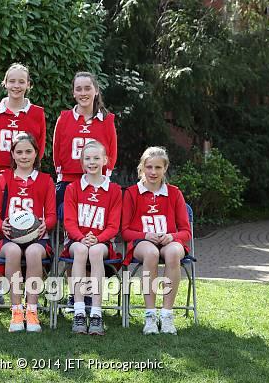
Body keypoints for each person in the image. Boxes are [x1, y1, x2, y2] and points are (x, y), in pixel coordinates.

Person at [52, 71, 118, 311]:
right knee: (73, 238)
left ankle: (90, 295)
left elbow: (111, 153)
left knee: (94, 234)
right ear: (73, 92)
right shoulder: (64, 118)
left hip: (98, 185)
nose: (83, 93)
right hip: (71, 184)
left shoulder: (106, 120)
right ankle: (75, 295)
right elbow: (57, 151)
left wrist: (101, 180)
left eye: (87, 88)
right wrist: (64, 178)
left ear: (96, 91)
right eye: (78, 89)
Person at [0, 63, 46, 308]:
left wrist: (28, 169)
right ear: (5, 83)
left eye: (22, 81)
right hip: (1, 176)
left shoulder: (36, 113)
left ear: (28, 84)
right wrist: (4, 170)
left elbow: (39, 145)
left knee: (31, 228)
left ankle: (33, 289)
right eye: (12, 81)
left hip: (28, 176)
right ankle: (0, 288)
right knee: (2, 230)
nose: (16, 86)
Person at [0, 133, 56, 332]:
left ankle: (32, 310)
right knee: (13, 251)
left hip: (37, 238)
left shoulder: (46, 180)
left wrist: (45, 224)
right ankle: (17, 310)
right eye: (19, 152)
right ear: (12, 154)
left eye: (28, 151)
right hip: (9, 238)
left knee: (33, 252)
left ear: (36, 153)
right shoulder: (2, 179)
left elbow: (51, 215)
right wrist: (1, 225)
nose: (24, 156)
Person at [121, 146, 191, 335]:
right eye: (149, 167)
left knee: (174, 252)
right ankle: (150, 315)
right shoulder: (131, 193)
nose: (153, 172)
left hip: (169, 241)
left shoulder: (174, 193)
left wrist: (172, 236)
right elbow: (125, 232)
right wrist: (144, 235)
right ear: (142, 167)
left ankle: (167, 315)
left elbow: (186, 232)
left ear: (165, 168)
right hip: (142, 243)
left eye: (158, 167)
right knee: (151, 253)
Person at [62, 140, 122, 335]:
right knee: (81, 250)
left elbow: (113, 226)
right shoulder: (73, 188)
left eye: (96, 158)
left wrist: (98, 239)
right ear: (82, 162)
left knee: (95, 252)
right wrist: (81, 238)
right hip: (76, 241)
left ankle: (96, 313)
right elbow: (69, 222)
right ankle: (79, 311)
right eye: (87, 158)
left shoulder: (114, 190)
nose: (92, 162)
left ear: (105, 160)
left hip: (102, 242)